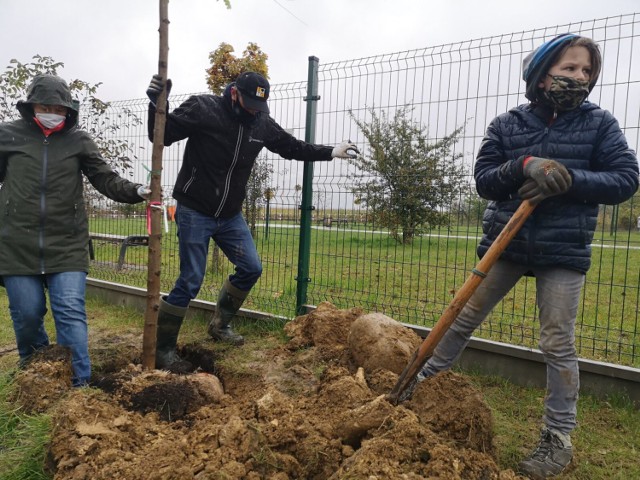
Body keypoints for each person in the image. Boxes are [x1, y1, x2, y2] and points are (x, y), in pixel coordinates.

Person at [410, 34, 639, 479]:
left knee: (557, 341)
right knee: (461, 318)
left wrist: (570, 178)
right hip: (507, 244)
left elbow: (626, 179)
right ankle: (421, 386)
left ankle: (558, 438)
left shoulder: (600, 125)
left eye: (586, 71)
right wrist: (523, 166)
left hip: (563, 250)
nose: (579, 77)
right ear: (541, 72)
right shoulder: (508, 124)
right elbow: (484, 180)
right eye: (569, 68)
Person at [146, 71, 359, 371]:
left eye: (258, 107)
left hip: (230, 215)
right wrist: (157, 103)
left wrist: (330, 152)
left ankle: (220, 325)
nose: (252, 112)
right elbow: (161, 134)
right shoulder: (204, 108)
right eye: (248, 104)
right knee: (191, 279)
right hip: (195, 209)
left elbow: (292, 147)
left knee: (251, 267)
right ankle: (164, 349)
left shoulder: (260, 123)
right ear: (234, 94)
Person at [0, 74, 150, 387]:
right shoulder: (7, 136)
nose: (53, 111)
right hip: (17, 244)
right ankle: (38, 374)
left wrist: (138, 191)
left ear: (69, 110)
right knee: (27, 315)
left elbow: (105, 179)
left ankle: (80, 384)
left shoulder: (78, 141)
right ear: (31, 107)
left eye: (59, 107)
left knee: (69, 312)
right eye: (45, 105)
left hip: (66, 244)